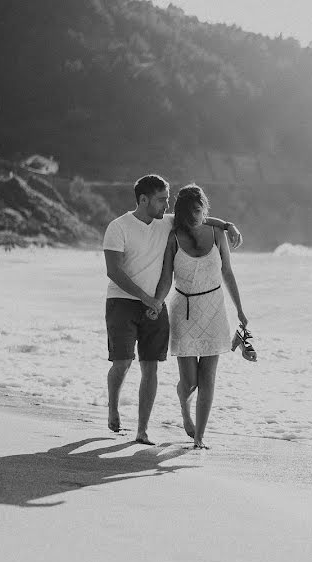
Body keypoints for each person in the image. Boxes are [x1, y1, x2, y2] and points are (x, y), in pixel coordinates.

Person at [102, 174, 242, 445]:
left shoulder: (166, 222)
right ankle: (113, 408)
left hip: (155, 304)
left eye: (168, 200)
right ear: (143, 200)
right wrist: (147, 298)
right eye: (161, 200)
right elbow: (113, 271)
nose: (167, 205)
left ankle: (142, 430)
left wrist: (228, 225)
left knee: (150, 367)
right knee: (122, 363)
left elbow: (200, 219)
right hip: (122, 302)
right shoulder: (118, 227)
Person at [155, 184, 253, 450]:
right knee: (190, 382)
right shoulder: (173, 237)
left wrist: (240, 310)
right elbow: (166, 279)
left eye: (199, 211)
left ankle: (200, 437)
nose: (195, 217)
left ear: (204, 209)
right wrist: (154, 304)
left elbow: (228, 273)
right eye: (190, 213)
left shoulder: (218, 233)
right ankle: (184, 409)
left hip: (214, 309)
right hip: (183, 312)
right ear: (182, 214)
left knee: (208, 378)